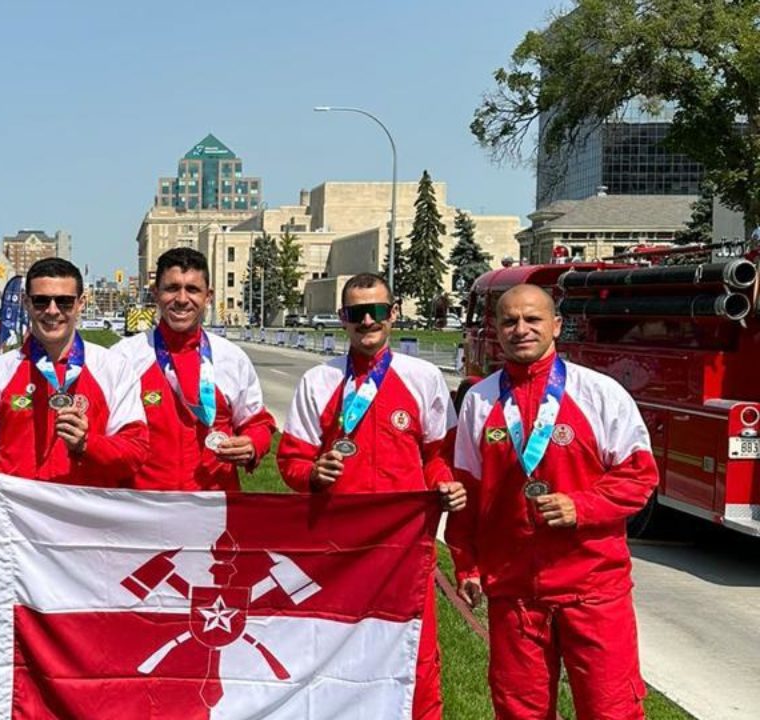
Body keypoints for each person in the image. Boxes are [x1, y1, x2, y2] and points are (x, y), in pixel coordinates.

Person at [444, 284, 657, 719]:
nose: (521, 329)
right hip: (514, 592)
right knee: (519, 710)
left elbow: (640, 476)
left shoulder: (599, 392)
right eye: (509, 321)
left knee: (610, 709)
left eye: (533, 319)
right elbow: (467, 491)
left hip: (592, 589)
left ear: (556, 326)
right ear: (497, 329)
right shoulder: (480, 401)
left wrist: (583, 506)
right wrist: (466, 563)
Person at [0, 256, 149, 719]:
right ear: (26, 302)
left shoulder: (113, 369)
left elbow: (135, 451)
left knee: (89, 651)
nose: (52, 310)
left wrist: (89, 446)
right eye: (41, 300)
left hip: (87, 547)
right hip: (17, 545)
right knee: (7, 646)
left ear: (80, 304)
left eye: (63, 300)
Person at [276, 272, 466, 720]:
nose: (368, 321)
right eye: (357, 313)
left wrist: (443, 482)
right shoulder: (319, 382)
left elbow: (439, 455)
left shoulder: (423, 378)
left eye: (377, 311)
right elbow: (291, 461)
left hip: (405, 552)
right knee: (335, 659)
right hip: (336, 553)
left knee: (413, 656)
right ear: (342, 319)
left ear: (393, 314)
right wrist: (313, 474)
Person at [112, 247, 275, 490]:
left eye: (192, 289)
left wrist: (252, 444)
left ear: (208, 296)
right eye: (172, 288)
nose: (181, 299)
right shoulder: (123, 357)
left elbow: (257, 422)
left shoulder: (231, 358)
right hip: (142, 509)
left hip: (214, 508)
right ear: (155, 293)